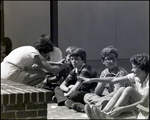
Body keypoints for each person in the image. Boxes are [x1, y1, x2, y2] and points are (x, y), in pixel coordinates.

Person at [79, 53, 149, 119]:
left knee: (129, 89)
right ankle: (104, 112)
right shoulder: (135, 77)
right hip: (140, 108)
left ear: (141, 68)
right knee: (122, 89)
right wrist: (91, 80)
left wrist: (121, 109)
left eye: (134, 67)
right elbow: (113, 79)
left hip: (147, 111)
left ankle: (111, 113)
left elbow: (143, 102)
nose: (131, 70)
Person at [71, 46, 129, 114]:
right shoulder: (104, 72)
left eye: (113, 58)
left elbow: (117, 93)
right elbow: (97, 92)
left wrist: (101, 99)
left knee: (107, 100)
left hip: (120, 100)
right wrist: (103, 81)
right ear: (103, 61)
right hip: (107, 99)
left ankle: (88, 107)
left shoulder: (121, 73)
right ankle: (95, 106)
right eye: (108, 59)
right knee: (87, 96)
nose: (111, 61)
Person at [1, 35, 69, 86]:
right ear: (42, 53)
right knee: (41, 74)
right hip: (10, 73)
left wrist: (57, 63)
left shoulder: (29, 49)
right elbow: (53, 70)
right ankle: (26, 90)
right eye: (46, 56)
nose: (46, 57)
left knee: (34, 70)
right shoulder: (36, 54)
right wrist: (64, 66)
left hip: (3, 71)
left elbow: (44, 63)